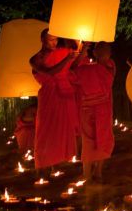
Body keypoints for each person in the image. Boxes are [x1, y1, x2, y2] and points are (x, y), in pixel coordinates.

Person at [29, 29, 79, 172]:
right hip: (48, 95)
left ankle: (59, 162)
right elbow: (49, 73)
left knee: (62, 127)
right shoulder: (35, 59)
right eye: (50, 39)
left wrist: (79, 42)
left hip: (63, 92)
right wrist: (67, 59)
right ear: (42, 39)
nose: (54, 42)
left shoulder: (62, 52)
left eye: (56, 39)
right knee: (46, 129)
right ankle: (43, 163)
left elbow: (76, 57)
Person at [70, 42, 115, 182]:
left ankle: (87, 173)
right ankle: (97, 172)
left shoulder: (86, 69)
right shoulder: (110, 66)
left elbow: (71, 71)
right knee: (103, 139)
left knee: (88, 139)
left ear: (95, 53)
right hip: (103, 109)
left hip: (88, 109)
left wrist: (82, 51)